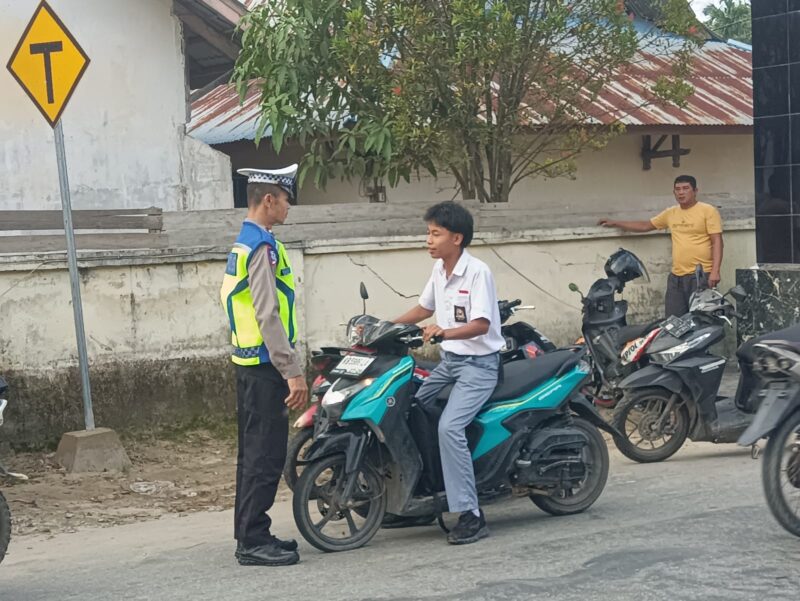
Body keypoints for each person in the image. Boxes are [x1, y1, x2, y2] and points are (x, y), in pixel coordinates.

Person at [393, 201, 504, 545]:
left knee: (449, 427)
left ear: (456, 238)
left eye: (435, 233)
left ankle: (471, 514)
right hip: (450, 364)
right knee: (407, 406)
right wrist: (384, 326)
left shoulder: (477, 272)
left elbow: (481, 325)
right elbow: (424, 307)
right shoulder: (439, 271)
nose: (428, 240)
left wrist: (444, 332)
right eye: (428, 233)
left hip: (480, 368)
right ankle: (427, 495)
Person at [220, 165, 309, 566]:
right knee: (265, 456)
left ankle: (251, 533)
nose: (290, 207)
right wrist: (291, 369)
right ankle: (254, 540)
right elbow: (267, 314)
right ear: (269, 200)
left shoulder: (245, 241)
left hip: (248, 362)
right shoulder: (261, 246)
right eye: (287, 199)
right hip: (264, 365)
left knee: (251, 455)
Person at [598, 175, 724, 317]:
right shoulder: (671, 213)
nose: (681, 192)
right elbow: (646, 225)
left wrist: (715, 271)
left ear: (695, 191)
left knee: (703, 320)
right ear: (674, 192)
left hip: (701, 275)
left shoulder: (708, 211)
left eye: (685, 188)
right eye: (677, 189)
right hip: (677, 277)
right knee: (673, 321)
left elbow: (717, 241)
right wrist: (616, 223)